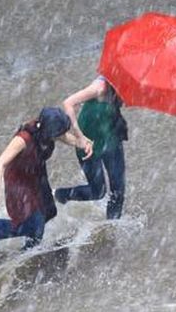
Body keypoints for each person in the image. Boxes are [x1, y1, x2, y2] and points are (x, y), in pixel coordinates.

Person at [0, 107, 93, 249]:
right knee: (35, 225)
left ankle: (31, 243)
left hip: (37, 174)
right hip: (19, 181)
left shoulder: (49, 130)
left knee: (50, 211)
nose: (60, 136)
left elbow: (65, 137)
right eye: (57, 133)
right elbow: (0, 163)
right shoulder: (23, 139)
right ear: (47, 131)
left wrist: (83, 143)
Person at [54, 76, 128, 219]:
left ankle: (112, 225)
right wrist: (79, 136)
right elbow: (68, 103)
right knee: (98, 192)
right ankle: (58, 195)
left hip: (111, 140)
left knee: (118, 189)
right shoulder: (100, 87)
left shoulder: (127, 88)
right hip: (88, 143)